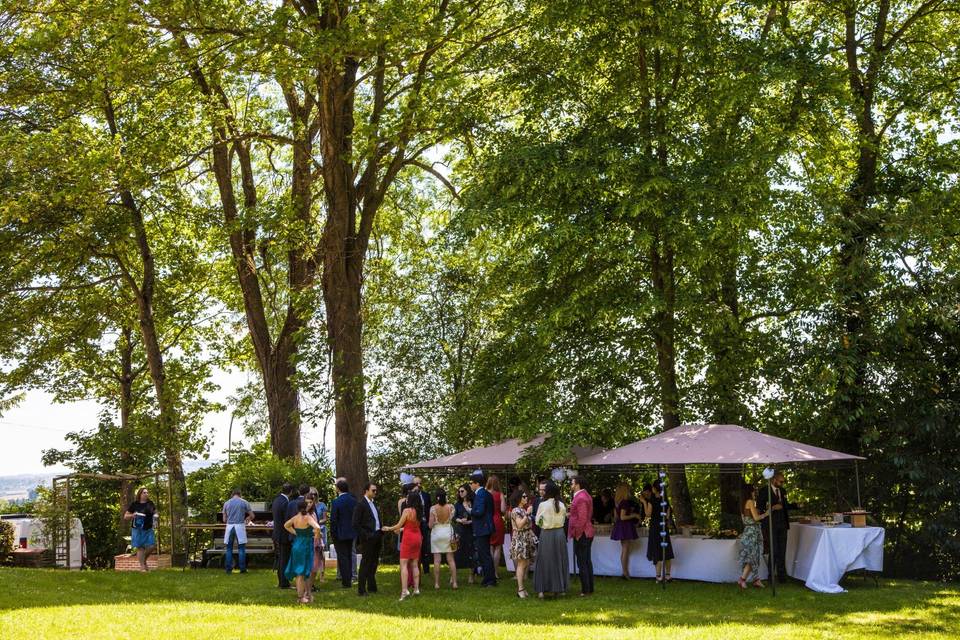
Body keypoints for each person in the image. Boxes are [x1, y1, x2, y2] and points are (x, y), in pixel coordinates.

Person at [382, 493, 423, 600]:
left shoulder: (407, 511)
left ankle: (404, 591)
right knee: (415, 564)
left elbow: (399, 525)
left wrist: (388, 528)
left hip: (408, 538)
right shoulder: (419, 511)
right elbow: (411, 526)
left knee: (404, 564)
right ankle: (416, 589)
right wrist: (400, 529)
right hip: (417, 537)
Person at [756, 470, 794, 580]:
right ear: (773, 480)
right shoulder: (764, 491)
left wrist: (796, 505)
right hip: (770, 524)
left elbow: (786, 505)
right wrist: (772, 508)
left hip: (783, 524)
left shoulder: (782, 491)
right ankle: (771, 575)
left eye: (783, 482)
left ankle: (782, 575)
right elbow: (759, 507)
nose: (782, 484)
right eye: (780, 481)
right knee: (774, 550)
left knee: (782, 550)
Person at [284, 496, 322, 604]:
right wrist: (317, 536)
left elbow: (286, 525)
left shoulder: (296, 517)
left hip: (297, 545)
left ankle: (307, 595)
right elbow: (318, 527)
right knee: (301, 573)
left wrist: (296, 532)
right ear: (305, 507)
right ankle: (301, 597)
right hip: (305, 546)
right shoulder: (308, 517)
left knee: (300, 572)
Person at [534, 481, 568, 598]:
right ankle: (559, 589)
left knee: (544, 560)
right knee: (559, 560)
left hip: (547, 533)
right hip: (559, 534)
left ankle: (542, 590)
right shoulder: (562, 505)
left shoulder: (543, 505)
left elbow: (538, 521)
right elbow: (564, 520)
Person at [737, 483, 770, 589]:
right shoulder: (750, 502)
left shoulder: (742, 504)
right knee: (753, 558)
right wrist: (767, 513)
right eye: (753, 491)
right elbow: (756, 518)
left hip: (747, 531)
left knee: (753, 557)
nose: (755, 493)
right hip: (752, 533)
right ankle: (742, 580)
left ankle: (756, 580)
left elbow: (745, 519)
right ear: (750, 492)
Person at [352, 482, 383, 596]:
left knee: (374, 562)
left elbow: (376, 520)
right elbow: (355, 523)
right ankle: (361, 589)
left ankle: (372, 586)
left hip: (377, 536)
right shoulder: (361, 505)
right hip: (368, 538)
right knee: (366, 563)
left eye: (375, 490)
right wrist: (366, 535)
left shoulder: (374, 504)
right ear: (366, 491)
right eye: (373, 490)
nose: (375, 492)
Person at [643, 479, 674, 582]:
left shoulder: (652, 501)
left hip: (655, 528)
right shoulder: (666, 501)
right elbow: (668, 515)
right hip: (664, 527)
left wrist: (644, 502)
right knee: (666, 551)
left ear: (655, 489)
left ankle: (658, 576)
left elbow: (647, 514)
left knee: (657, 552)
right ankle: (668, 575)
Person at [329, 478, 358, 589]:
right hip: (351, 532)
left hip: (340, 533)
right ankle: (350, 577)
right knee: (350, 555)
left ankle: (346, 581)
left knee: (342, 557)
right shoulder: (353, 500)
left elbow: (334, 520)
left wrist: (333, 533)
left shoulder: (336, 502)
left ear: (338, 488)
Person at [469, 471, 497, 586]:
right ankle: (489, 578)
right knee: (485, 553)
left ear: (477, 483)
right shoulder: (487, 494)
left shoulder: (480, 494)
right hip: (487, 527)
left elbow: (479, 512)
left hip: (482, 527)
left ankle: (489, 580)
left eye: (471, 483)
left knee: (484, 554)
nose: (470, 485)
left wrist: (470, 510)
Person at [508, 488, 537, 598]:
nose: (526, 498)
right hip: (520, 539)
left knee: (525, 563)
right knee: (521, 564)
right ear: (519, 498)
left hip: (526, 538)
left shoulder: (523, 509)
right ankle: (520, 589)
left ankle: (522, 588)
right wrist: (528, 514)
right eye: (524, 497)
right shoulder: (516, 510)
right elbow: (519, 525)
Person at [568, 476, 595, 596]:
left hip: (583, 533)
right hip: (587, 531)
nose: (571, 485)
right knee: (587, 561)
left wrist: (578, 533)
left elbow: (582, 518)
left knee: (582, 562)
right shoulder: (585, 495)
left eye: (572, 483)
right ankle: (589, 588)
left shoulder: (581, 498)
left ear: (577, 484)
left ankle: (585, 590)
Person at [610, 483, 642, 579]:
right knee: (625, 550)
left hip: (620, 526)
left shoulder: (617, 502)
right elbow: (623, 517)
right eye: (628, 489)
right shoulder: (624, 502)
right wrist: (634, 515)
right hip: (625, 526)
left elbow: (616, 517)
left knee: (625, 549)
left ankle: (625, 572)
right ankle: (625, 572)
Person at [429, 488, 458, 590]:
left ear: (437, 497)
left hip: (437, 533)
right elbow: (452, 519)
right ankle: (454, 583)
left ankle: (437, 583)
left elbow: (430, 525)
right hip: (448, 532)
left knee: (437, 560)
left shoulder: (433, 508)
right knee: (451, 559)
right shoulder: (451, 507)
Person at [123, 486, 157, 572]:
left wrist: (156, 517)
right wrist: (132, 515)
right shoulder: (135, 504)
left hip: (149, 528)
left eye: (147, 492)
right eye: (144, 493)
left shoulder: (150, 503)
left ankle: (143, 560)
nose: (146, 494)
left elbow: (155, 513)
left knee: (152, 546)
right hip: (137, 529)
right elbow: (125, 516)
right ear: (140, 494)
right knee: (140, 547)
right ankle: (142, 567)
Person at [222, 488, 254, 574]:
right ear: (240, 494)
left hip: (230, 527)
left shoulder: (226, 503)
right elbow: (252, 515)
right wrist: (248, 518)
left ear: (232, 494)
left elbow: (224, 519)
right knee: (241, 549)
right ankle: (242, 569)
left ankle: (228, 569)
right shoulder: (244, 502)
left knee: (229, 548)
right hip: (240, 526)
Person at [272, 482, 295, 588]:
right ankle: (284, 582)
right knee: (284, 559)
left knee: (281, 558)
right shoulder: (285, 502)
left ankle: (281, 580)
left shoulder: (276, 500)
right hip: (284, 534)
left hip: (277, 533)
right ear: (291, 492)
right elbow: (287, 520)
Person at [453, 484, 477, 584]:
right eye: (459, 492)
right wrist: (460, 520)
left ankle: (471, 575)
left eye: (462, 491)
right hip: (460, 530)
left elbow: (477, 516)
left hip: (471, 530)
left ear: (467, 491)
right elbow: (453, 517)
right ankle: (454, 576)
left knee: (471, 552)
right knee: (456, 552)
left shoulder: (473, 502)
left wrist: (470, 522)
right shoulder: (457, 504)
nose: (460, 493)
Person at [486, 475, 507, 579]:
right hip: (498, 521)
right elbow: (503, 510)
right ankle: (495, 572)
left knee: (489, 546)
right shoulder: (500, 495)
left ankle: (489, 572)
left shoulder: (485, 494)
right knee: (498, 547)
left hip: (488, 521)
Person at [413, 476, 433, 578]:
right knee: (416, 546)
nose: (419, 485)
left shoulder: (426, 495)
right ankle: (415, 568)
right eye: (416, 484)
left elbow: (430, 509)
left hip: (425, 523)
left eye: (420, 483)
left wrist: (430, 523)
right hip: (415, 524)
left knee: (425, 546)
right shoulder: (410, 496)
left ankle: (426, 569)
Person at [309, 487, 328, 587]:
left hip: (321, 530)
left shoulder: (322, 505)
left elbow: (325, 519)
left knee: (321, 552)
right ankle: (311, 574)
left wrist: (316, 523)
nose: (313, 496)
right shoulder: (308, 505)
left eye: (315, 494)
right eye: (311, 494)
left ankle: (322, 575)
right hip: (311, 531)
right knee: (312, 552)